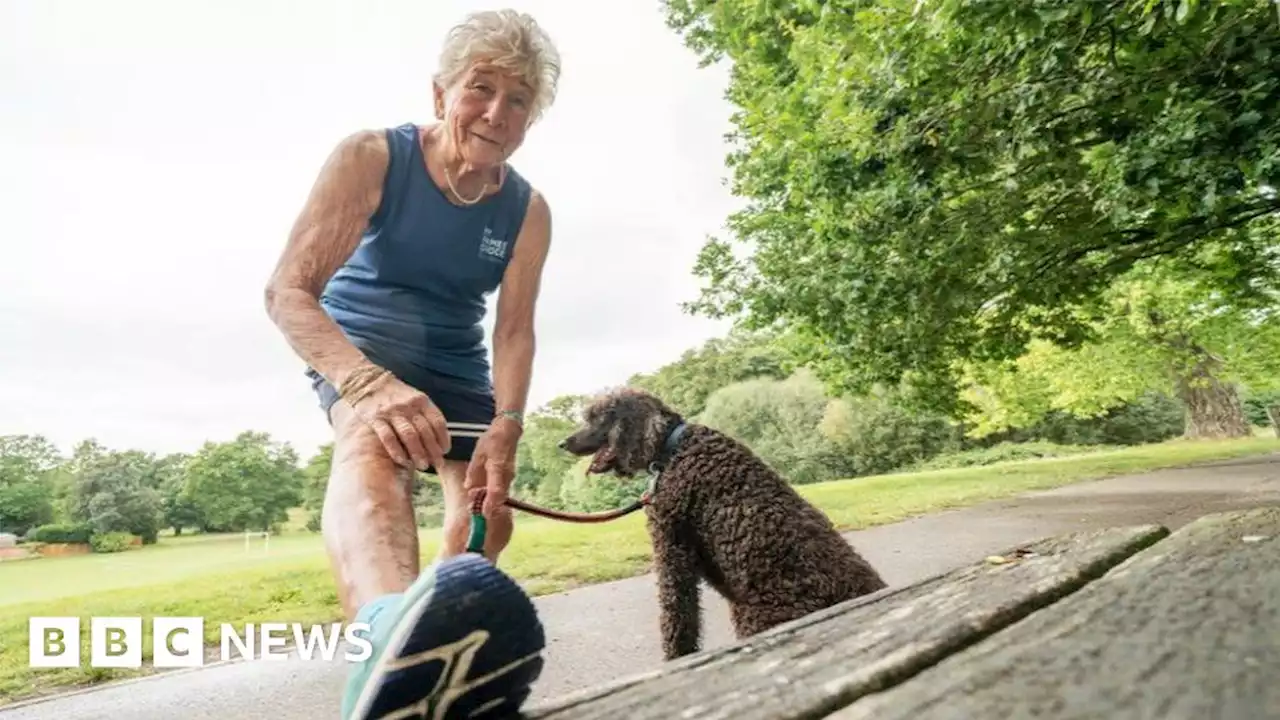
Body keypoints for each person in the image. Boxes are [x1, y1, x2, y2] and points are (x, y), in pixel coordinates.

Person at [263, 9, 560, 719]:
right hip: (364, 349)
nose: (496, 112)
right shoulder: (372, 156)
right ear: (440, 95)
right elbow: (287, 292)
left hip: (456, 363)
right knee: (373, 447)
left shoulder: (527, 210)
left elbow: (515, 333)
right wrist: (366, 385)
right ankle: (385, 639)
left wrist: (508, 427)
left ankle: (451, 656)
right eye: (480, 88)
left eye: (518, 98)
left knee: (488, 504)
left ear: (530, 118)